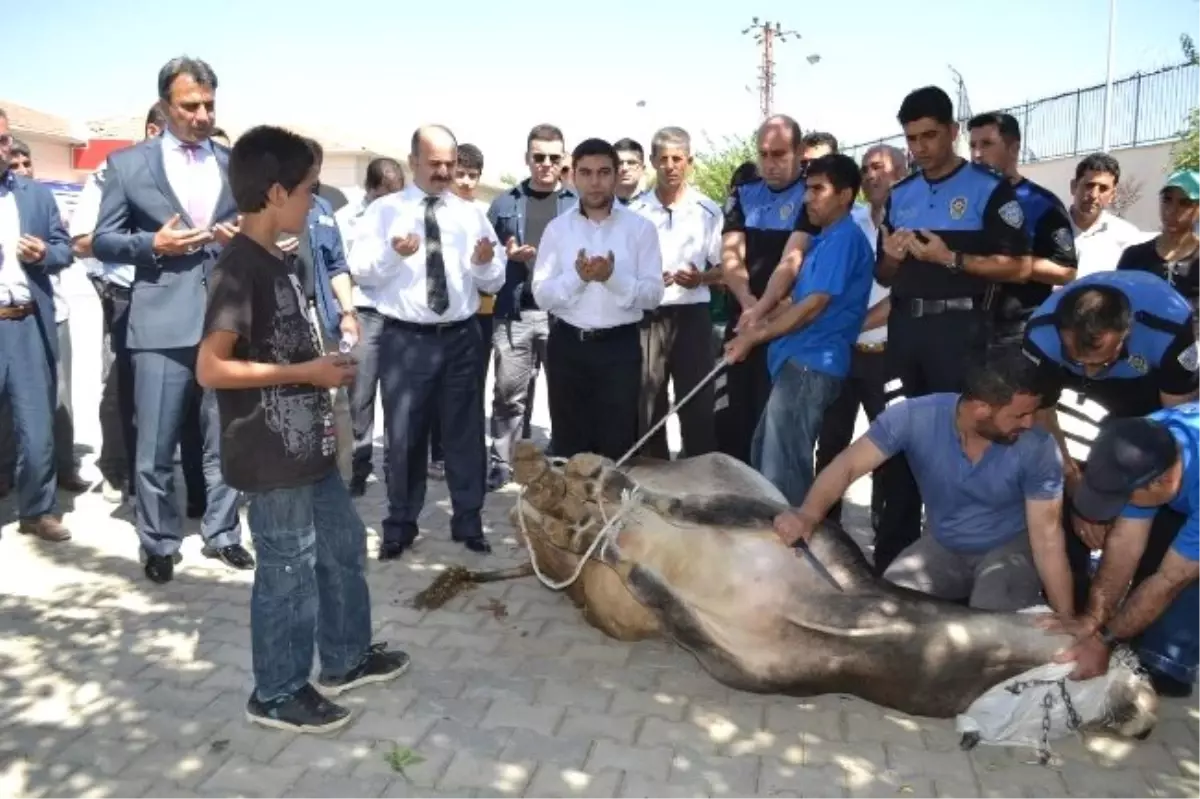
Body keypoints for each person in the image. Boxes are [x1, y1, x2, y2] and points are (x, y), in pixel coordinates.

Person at [197, 124, 409, 733]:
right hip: (269, 454)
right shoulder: (240, 266)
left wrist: (320, 371)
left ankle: (345, 658)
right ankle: (277, 691)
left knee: (342, 547)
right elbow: (211, 367)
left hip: (308, 448)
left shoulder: (280, 256)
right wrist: (306, 371)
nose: (316, 203)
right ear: (274, 192)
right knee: (287, 570)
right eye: (309, 190)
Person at [91, 56, 253, 583]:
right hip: (159, 322)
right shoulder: (128, 165)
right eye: (191, 106)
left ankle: (223, 532)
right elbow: (104, 240)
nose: (202, 115)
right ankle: (158, 540)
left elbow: (255, 225)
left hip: (226, 320)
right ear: (165, 106)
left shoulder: (234, 164)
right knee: (156, 444)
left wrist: (245, 237)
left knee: (224, 438)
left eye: (209, 105)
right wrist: (150, 243)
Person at [775, 348, 1073, 614]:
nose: (1030, 423)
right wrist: (808, 514)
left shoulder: (1039, 447)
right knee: (886, 605)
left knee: (990, 613)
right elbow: (849, 465)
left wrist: (1067, 620)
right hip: (944, 545)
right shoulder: (914, 416)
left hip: (1010, 549)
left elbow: (1047, 540)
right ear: (981, 409)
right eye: (1020, 415)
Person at [872, 86, 1030, 577]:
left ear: (953, 131)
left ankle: (963, 559)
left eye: (929, 136)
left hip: (962, 332)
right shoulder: (900, 195)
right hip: (906, 334)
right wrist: (893, 259)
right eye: (911, 138)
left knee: (962, 444)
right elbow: (884, 275)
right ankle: (892, 561)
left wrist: (951, 258)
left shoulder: (989, 189)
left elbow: (1020, 266)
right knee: (896, 440)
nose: (919, 148)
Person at [348, 125, 505, 559]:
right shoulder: (385, 212)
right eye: (434, 163)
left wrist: (484, 263)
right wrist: (393, 254)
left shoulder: (471, 214)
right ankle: (399, 525)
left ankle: (468, 521)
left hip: (460, 337)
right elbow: (363, 272)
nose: (442, 172)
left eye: (449, 164)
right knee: (404, 436)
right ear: (413, 161)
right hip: (405, 340)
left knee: (465, 434)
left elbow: (495, 278)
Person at [1022, 270, 1200, 609]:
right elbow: (1042, 416)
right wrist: (1077, 486)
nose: (1090, 372)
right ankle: (1070, 606)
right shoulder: (1041, 334)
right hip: (1066, 387)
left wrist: (1136, 504)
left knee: (1159, 492)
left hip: (1146, 390)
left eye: (1100, 360)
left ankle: (1143, 604)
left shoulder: (1168, 328)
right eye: (1079, 359)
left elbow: (1173, 437)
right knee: (1061, 490)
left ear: (1126, 334)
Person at [724, 153, 875, 506]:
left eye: (818, 189)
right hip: (796, 362)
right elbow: (796, 300)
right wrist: (757, 317)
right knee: (766, 457)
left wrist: (755, 337)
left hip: (811, 366)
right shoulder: (824, 240)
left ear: (845, 194)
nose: (808, 198)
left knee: (782, 472)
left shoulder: (844, 240)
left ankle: (790, 552)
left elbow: (812, 307)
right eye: (807, 189)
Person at [531, 137, 664, 461]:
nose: (595, 181)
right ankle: (574, 514)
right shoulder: (557, 230)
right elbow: (542, 295)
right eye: (586, 172)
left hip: (620, 349)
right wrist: (579, 277)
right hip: (567, 346)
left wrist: (611, 279)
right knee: (568, 447)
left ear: (617, 175)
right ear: (573, 175)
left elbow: (653, 295)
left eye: (603, 172)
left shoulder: (641, 229)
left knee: (617, 447)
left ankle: (612, 513)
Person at [1055, 408, 1200, 697]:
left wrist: (1105, 642)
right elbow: (1124, 546)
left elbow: (1171, 578)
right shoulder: (1144, 442)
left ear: (1163, 482)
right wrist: (1093, 621)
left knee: (1181, 600)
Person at [813, 144, 905, 532]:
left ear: (901, 172)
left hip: (887, 355)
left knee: (889, 452)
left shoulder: (911, 223)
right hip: (844, 354)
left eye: (879, 167)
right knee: (830, 446)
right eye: (865, 168)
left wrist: (849, 325)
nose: (870, 175)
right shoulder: (848, 224)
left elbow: (901, 298)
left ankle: (888, 545)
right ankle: (822, 530)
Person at [716, 115, 812, 464]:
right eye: (764, 154)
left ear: (800, 151)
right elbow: (731, 258)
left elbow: (795, 261)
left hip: (788, 324)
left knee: (778, 436)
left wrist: (764, 311)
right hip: (744, 320)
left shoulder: (812, 194)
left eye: (780, 154)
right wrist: (747, 303)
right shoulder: (743, 194)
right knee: (731, 424)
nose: (770, 164)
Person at [486, 125, 577, 489]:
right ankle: (502, 462)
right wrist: (504, 257)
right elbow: (483, 257)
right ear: (527, 158)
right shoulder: (504, 203)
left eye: (554, 158)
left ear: (563, 160)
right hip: (515, 312)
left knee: (565, 392)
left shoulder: (576, 203)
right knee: (508, 393)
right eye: (538, 157)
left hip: (562, 315)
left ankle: (561, 461)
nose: (546, 164)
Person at [0, 107, 74, 543]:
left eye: (6, 139)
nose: (4, 148)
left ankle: (38, 511)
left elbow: (67, 249)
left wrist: (43, 253)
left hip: (28, 323)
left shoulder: (35, 196)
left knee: (36, 427)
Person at [629, 126, 723, 459]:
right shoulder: (634, 212)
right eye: (663, 159)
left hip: (692, 317)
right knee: (648, 404)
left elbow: (727, 269)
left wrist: (701, 278)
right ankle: (653, 487)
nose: (670, 166)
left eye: (677, 158)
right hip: (648, 317)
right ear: (652, 161)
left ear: (689, 161)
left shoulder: (709, 210)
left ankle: (699, 481)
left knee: (696, 406)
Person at [966, 112, 1077, 348]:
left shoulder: (1041, 203)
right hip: (964, 327)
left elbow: (1066, 271)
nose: (976, 154)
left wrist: (1012, 266)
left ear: (1014, 148)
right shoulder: (960, 202)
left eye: (986, 144)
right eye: (972, 145)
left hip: (1016, 333)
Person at [336, 157, 405, 497]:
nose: (393, 201)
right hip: (363, 314)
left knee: (398, 396)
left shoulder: (408, 216)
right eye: (387, 194)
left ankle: (396, 467)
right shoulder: (347, 219)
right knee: (359, 398)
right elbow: (340, 269)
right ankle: (359, 467)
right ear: (371, 188)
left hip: (399, 317)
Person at [1116, 170, 1200, 329]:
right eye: (1167, 200)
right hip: (1143, 349)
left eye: (1185, 203)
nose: (1172, 209)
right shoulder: (1134, 256)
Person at [1067, 153, 1147, 278]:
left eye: (1103, 188)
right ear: (1073, 186)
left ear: (1113, 195)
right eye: (1089, 185)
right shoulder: (1048, 228)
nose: (1094, 195)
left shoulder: (1128, 237)